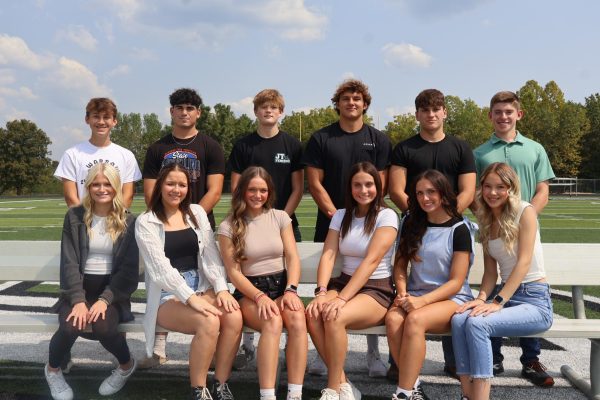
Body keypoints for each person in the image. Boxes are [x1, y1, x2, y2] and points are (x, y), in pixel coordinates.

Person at [302, 79, 392, 377]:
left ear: (365, 104)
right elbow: (314, 183)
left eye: (357, 98)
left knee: (352, 292)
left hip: (365, 223)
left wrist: (357, 214)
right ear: (337, 103)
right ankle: (323, 354)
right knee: (331, 289)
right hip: (334, 222)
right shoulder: (321, 138)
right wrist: (339, 215)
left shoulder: (378, 139)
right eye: (345, 98)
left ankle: (372, 352)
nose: (351, 103)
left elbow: (377, 182)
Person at [387, 88, 476, 381]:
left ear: (445, 112)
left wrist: (445, 215)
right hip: (416, 223)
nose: (431, 114)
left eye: (436, 109)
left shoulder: (460, 148)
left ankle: (452, 363)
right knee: (403, 309)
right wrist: (419, 215)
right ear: (417, 115)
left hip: (447, 227)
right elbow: (397, 189)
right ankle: (402, 372)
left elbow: (467, 190)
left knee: (437, 295)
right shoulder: (405, 148)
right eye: (425, 110)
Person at [136, 163, 242, 400]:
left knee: (234, 316)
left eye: (182, 184)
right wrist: (189, 297)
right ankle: (199, 389)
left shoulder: (196, 212)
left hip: (202, 286)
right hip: (168, 293)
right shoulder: (146, 221)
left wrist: (221, 288)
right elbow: (161, 269)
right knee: (208, 321)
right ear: (160, 186)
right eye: (170, 183)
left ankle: (221, 383)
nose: (176, 189)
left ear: (188, 188)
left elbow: (211, 255)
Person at [473, 91, 555, 386]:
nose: (503, 116)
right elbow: (477, 192)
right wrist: (490, 219)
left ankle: (531, 360)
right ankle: (492, 357)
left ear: (518, 114)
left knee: (525, 280)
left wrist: (524, 217)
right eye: (498, 112)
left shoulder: (534, 149)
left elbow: (543, 189)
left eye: (509, 111)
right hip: (494, 226)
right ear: (490, 116)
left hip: (524, 224)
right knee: (499, 282)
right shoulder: (480, 153)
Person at [140, 88, 226, 369]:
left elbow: (215, 189)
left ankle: (211, 352)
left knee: (205, 275)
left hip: (196, 221)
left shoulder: (210, 146)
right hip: (166, 221)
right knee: (166, 265)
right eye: (179, 107)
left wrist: (190, 213)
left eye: (190, 107)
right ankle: (160, 340)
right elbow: (151, 190)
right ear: (172, 111)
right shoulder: (157, 148)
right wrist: (171, 214)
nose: (185, 112)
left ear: (198, 112)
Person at [452, 162, 553, 400]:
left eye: (500, 187)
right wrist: (479, 299)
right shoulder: (486, 220)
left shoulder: (524, 211)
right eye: (487, 186)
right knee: (459, 319)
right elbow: (490, 273)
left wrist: (497, 301)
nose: (493, 192)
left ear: (510, 188)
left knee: (478, 324)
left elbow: (524, 263)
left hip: (534, 301)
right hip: (506, 297)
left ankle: (481, 397)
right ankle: (467, 394)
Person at [44, 163, 139, 400]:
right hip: (79, 289)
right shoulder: (75, 216)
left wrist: (105, 300)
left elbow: (128, 271)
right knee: (71, 325)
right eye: (95, 184)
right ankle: (53, 370)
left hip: (112, 292)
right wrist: (77, 300)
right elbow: (69, 262)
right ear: (88, 187)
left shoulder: (130, 221)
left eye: (107, 183)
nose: (101, 189)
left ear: (116, 187)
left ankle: (126, 366)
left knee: (104, 327)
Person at [306, 162, 398, 400]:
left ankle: (332, 389)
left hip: (376, 289)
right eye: (357, 185)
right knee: (313, 313)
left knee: (336, 316)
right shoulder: (341, 215)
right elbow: (328, 254)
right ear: (350, 188)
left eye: (369, 184)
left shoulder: (386, 215)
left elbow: (371, 261)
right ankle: (345, 384)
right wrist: (321, 292)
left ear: (378, 187)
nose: (363, 190)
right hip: (343, 282)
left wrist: (343, 299)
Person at [218, 166, 307, 400]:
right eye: (252, 190)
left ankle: (294, 393)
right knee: (272, 321)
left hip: (282, 288)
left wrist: (291, 290)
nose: (258, 195)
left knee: (297, 319)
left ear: (270, 192)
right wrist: (259, 296)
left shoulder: (280, 217)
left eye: (263, 190)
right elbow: (234, 273)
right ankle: (267, 395)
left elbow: (292, 257)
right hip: (250, 292)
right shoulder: (228, 226)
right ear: (242, 191)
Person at [228, 89, 304, 365]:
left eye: (273, 107)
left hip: (283, 223)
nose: (268, 111)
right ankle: (248, 342)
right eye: (263, 107)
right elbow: (236, 186)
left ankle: (288, 343)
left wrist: (280, 218)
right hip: (248, 222)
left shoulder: (292, 145)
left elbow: (298, 187)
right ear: (256, 112)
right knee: (248, 268)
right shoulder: (244, 145)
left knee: (285, 275)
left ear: (281, 111)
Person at [385, 170, 474, 400]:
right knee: (393, 318)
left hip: (451, 298)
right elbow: (400, 266)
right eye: (420, 193)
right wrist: (403, 293)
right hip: (415, 295)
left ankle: (402, 394)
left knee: (415, 319)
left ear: (444, 193)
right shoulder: (411, 223)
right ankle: (413, 386)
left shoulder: (460, 229)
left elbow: (456, 282)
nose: (425, 198)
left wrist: (421, 302)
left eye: (431, 192)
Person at [54, 97, 141, 208]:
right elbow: (70, 197)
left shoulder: (127, 156)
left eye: (106, 117)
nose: (101, 122)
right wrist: (84, 222)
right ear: (87, 119)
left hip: (115, 222)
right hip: (83, 222)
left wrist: (114, 220)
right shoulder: (72, 154)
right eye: (96, 116)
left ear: (114, 121)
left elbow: (127, 195)